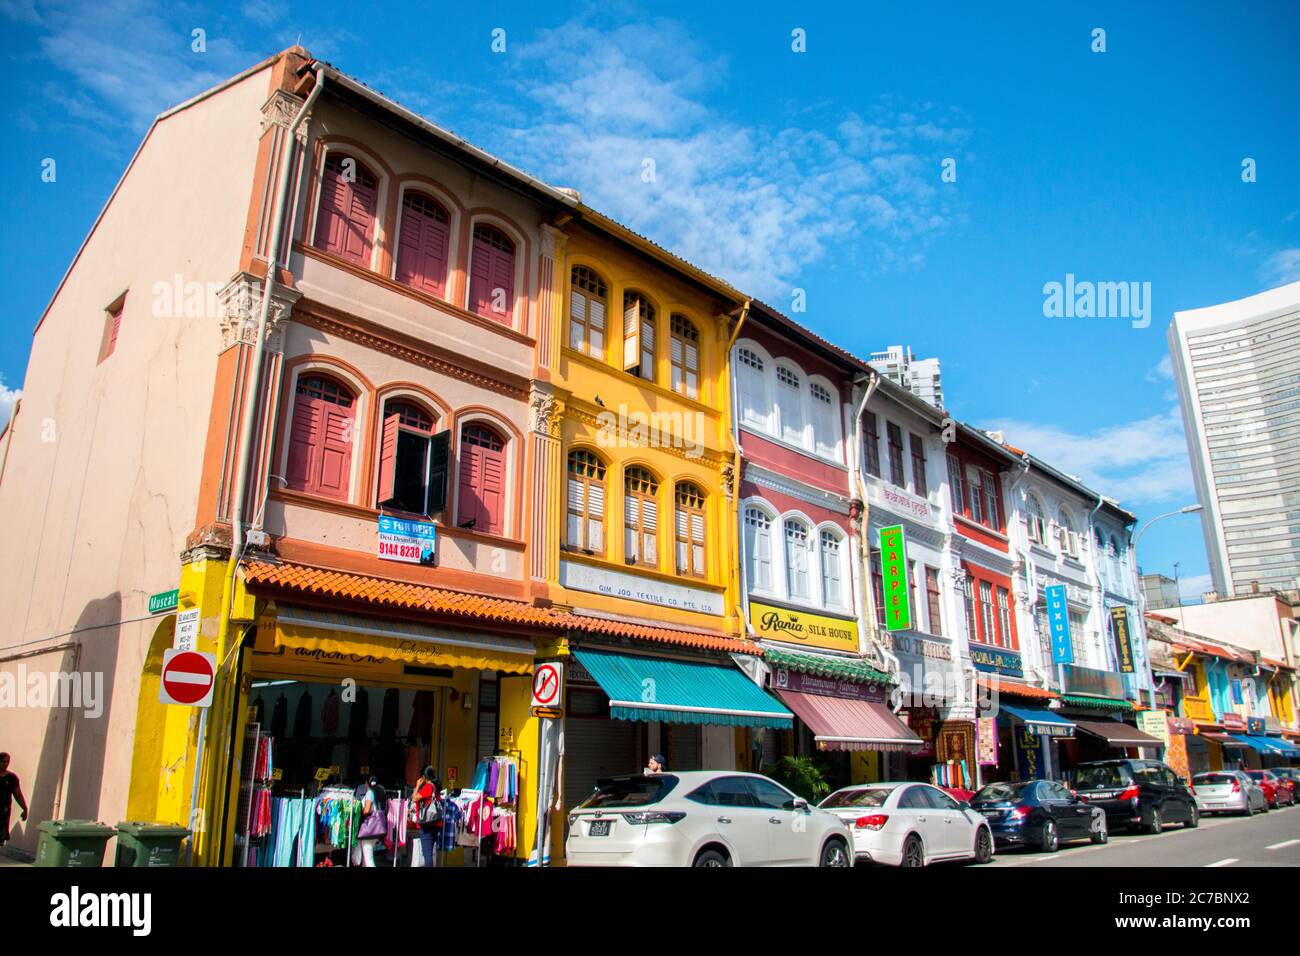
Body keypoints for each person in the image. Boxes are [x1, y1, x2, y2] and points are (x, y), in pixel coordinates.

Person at [352, 776, 387, 867]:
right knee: (366, 857)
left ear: (366, 783)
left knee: (368, 858)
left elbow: (367, 810)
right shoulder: (378, 792)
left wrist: (359, 812)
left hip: (368, 829)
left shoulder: (370, 793)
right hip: (375, 828)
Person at [409, 766, 440, 867]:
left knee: (427, 855)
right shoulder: (436, 787)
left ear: (424, 776)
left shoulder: (428, 787)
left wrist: (417, 785)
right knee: (429, 853)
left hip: (426, 824)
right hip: (435, 823)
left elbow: (414, 799)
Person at [0, 753, 28, 848]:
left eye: (7, 761)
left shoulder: (12, 778)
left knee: (1, 837)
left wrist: (24, 808)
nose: (6, 763)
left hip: (3, 812)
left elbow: (18, 794)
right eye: (3, 761)